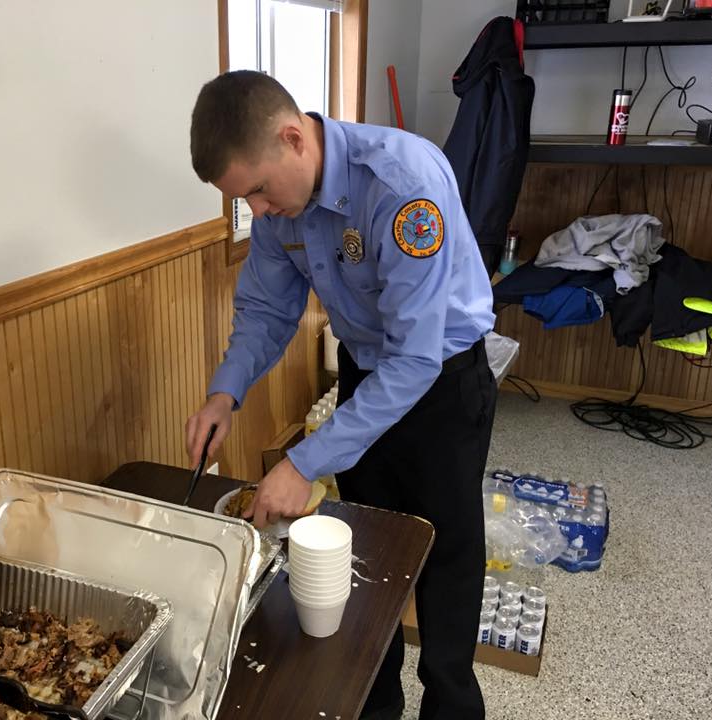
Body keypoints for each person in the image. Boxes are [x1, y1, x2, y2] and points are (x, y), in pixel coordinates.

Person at [185, 70, 497, 720]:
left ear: (294, 139)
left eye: (262, 192)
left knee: (446, 559)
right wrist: (225, 394)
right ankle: (373, 705)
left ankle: (451, 707)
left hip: (441, 383)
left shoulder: (403, 186)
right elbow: (267, 313)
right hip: (365, 376)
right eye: (247, 203)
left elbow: (415, 359)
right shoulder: (281, 207)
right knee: (366, 552)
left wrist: (303, 462)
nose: (262, 214)